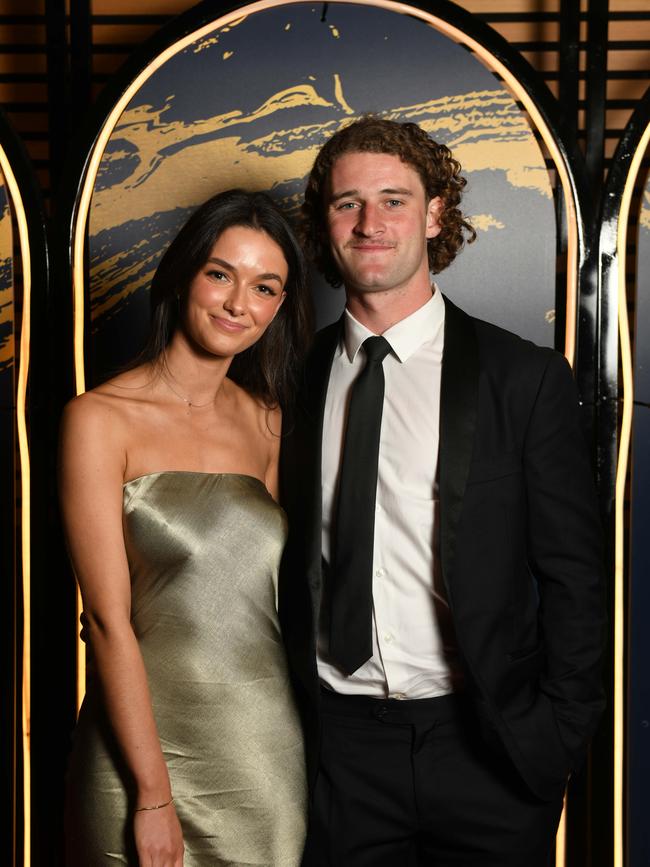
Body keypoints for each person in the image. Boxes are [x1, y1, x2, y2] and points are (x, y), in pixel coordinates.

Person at [279, 117, 606, 866]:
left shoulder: (521, 378)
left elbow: (575, 577)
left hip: (488, 744)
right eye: (346, 202)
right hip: (339, 748)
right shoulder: (288, 379)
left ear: (434, 214)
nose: (370, 223)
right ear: (323, 222)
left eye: (394, 199)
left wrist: (554, 736)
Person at [60, 189, 312, 866]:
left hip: (262, 754)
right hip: (137, 755)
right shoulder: (98, 419)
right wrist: (151, 794)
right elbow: (107, 621)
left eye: (265, 287)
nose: (239, 304)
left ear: (279, 307)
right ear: (183, 274)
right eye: (221, 274)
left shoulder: (269, 423)